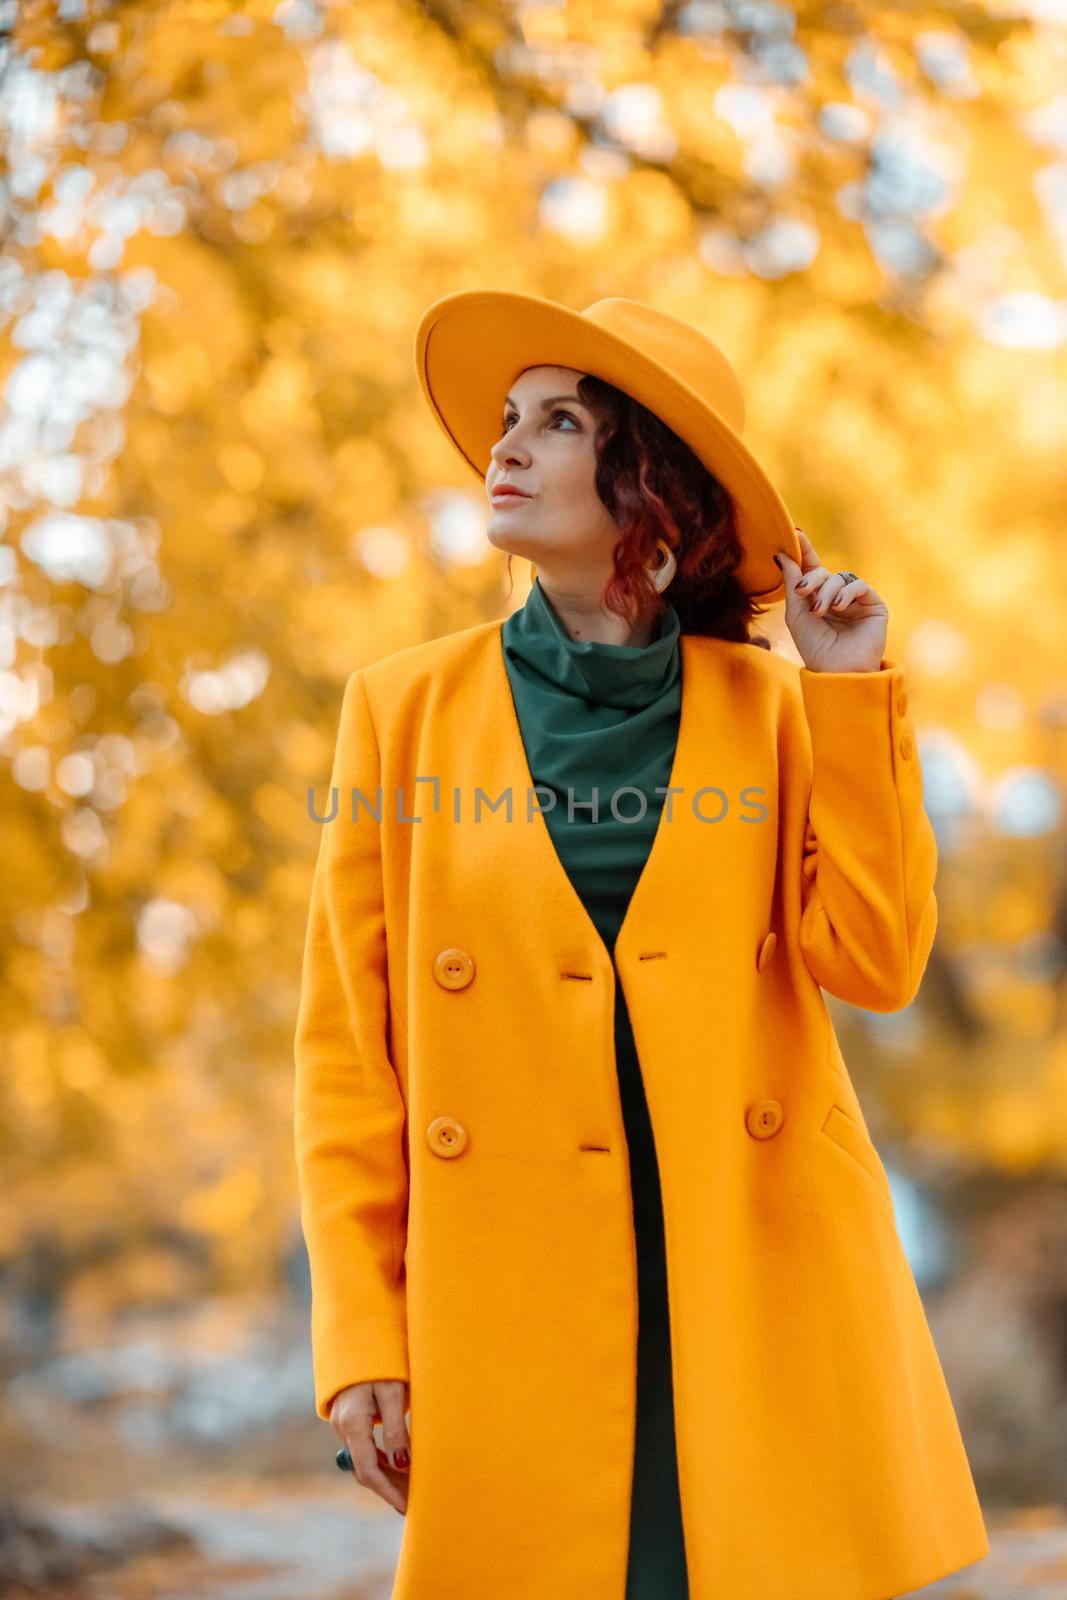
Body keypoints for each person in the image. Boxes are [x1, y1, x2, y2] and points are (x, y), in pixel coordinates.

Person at [293, 291, 989, 1599]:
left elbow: (879, 961)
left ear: (647, 484)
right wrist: (361, 1335)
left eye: (559, 422)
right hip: (511, 1281)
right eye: (509, 418)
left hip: (748, 1266)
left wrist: (849, 693)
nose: (505, 446)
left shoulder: (776, 708)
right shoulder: (400, 712)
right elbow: (346, 1054)